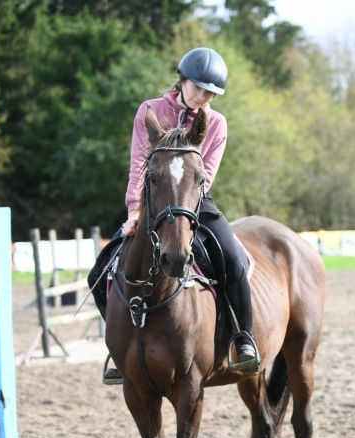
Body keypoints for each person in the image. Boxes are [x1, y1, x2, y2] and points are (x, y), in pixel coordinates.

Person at [104, 47, 261, 382]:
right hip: (153, 201)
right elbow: (137, 163)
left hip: (194, 198)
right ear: (183, 80)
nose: (202, 96)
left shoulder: (216, 122)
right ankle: (118, 348)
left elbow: (208, 171)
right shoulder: (151, 110)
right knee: (99, 270)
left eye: (210, 92)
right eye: (197, 87)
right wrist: (134, 209)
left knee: (233, 260)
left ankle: (242, 338)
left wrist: (188, 207)